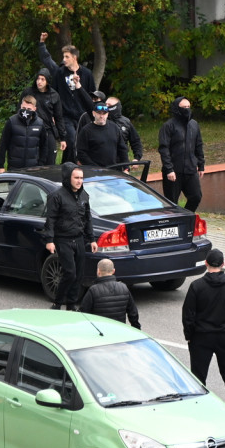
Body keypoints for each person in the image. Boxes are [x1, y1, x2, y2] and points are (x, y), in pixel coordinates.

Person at [182, 248, 225, 424]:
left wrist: (189, 336)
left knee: (198, 376)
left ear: (206, 263)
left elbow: (188, 314)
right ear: (223, 264)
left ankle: (197, 412)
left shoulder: (196, 286)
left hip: (201, 338)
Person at [42, 163, 98, 310]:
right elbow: (51, 219)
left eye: (81, 178)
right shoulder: (57, 196)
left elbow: (88, 218)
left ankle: (71, 304)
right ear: (68, 178)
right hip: (63, 239)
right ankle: (58, 303)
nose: (79, 181)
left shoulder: (84, 195)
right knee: (70, 273)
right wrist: (50, 240)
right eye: (76, 178)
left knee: (79, 275)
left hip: (79, 238)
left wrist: (92, 239)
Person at [38, 31, 95, 163]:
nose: (64, 59)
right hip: (65, 116)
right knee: (72, 139)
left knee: (79, 144)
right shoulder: (60, 73)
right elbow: (53, 93)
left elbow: (92, 95)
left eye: (67, 57)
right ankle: (73, 169)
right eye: (64, 56)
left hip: (82, 115)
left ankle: (66, 167)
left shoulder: (86, 74)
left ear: (74, 58)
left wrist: (94, 113)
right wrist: (42, 43)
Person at [158, 96, 204, 212]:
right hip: (174, 170)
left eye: (188, 107)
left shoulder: (194, 124)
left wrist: (201, 165)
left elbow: (198, 145)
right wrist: (169, 169)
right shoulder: (168, 126)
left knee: (196, 196)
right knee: (171, 202)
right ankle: (173, 223)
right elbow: (164, 149)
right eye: (184, 107)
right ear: (177, 108)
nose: (187, 109)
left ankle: (185, 217)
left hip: (190, 169)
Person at [79, 258, 140, 328]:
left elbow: (83, 314)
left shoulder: (93, 290)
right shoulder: (123, 287)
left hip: (100, 332)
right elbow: (133, 313)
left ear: (98, 271)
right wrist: (137, 329)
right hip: (119, 330)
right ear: (113, 271)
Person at [24, 68, 66, 165]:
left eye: (42, 79)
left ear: (47, 81)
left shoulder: (54, 95)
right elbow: (20, 110)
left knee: (50, 158)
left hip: (48, 129)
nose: (39, 82)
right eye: (38, 79)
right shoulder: (28, 92)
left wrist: (62, 138)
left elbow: (59, 117)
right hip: (30, 128)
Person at [0, 95, 47, 173]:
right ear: (20, 106)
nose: (26, 111)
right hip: (14, 166)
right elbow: (3, 144)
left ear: (34, 109)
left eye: (29, 109)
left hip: (33, 167)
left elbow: (44, 146)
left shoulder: (40, 124)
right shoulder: (12, 121)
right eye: (24, 108)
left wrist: (41, 165)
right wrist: (1, 166)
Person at [75, 102, 128, 168]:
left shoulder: (114, 127)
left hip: (114, 169)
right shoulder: (86, 131)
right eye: (99, 113)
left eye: (104, 113)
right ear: (93, 113)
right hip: (94, 171)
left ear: (107, 114)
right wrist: (94, 167)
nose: (101, 116)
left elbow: (122, 149)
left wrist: (126, 167)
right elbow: (81, 153)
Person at [106, 96, 143, 162]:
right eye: (106, 104)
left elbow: (135, 141)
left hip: (121, 160)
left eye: (109, 105)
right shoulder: (101, 121)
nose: (106, 106)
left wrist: (137, 158)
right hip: (103, 160)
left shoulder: (126, 122)